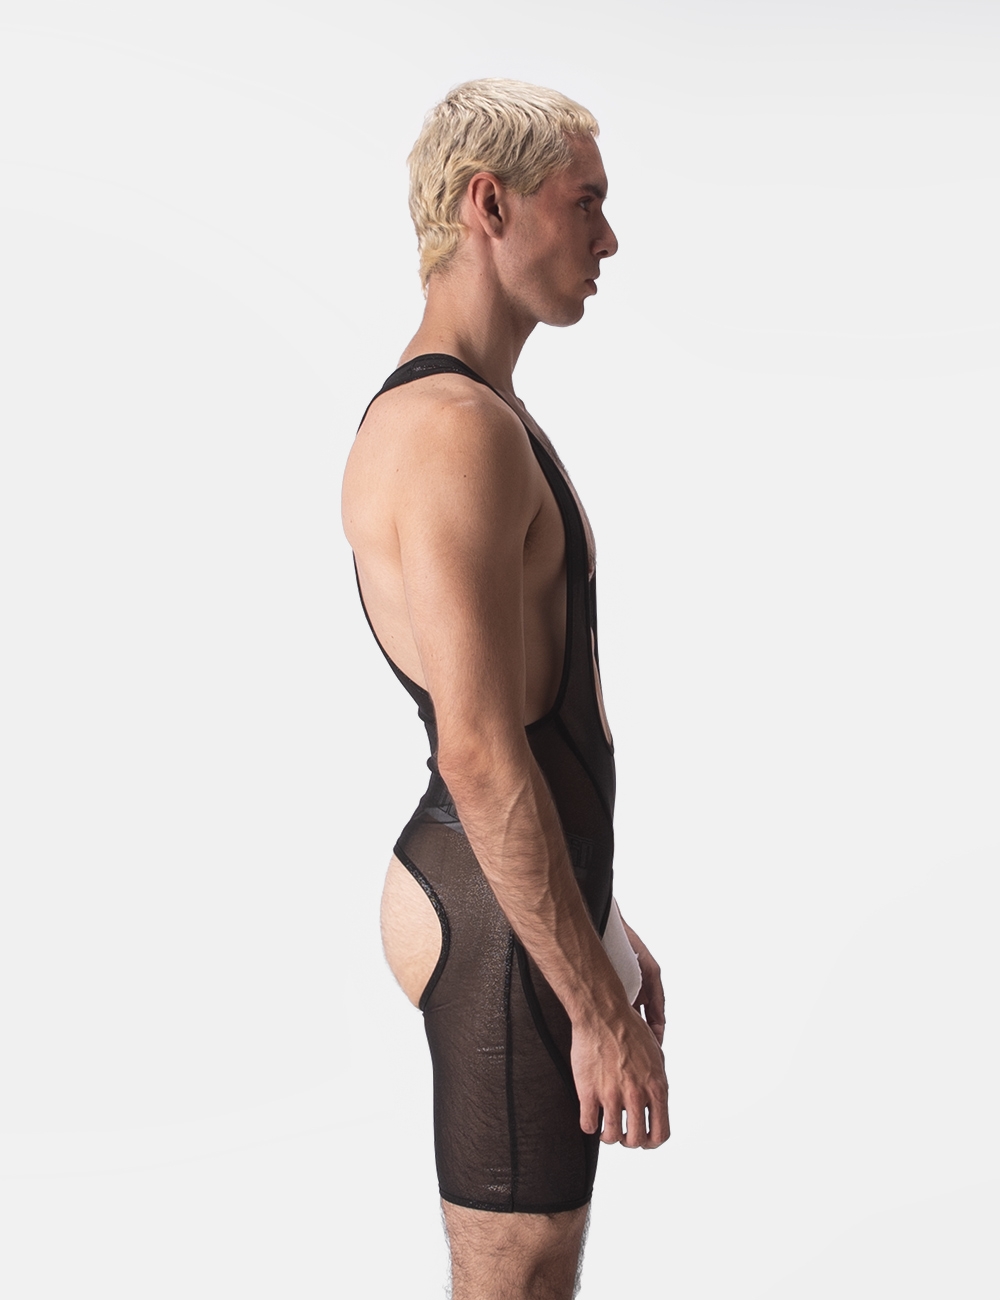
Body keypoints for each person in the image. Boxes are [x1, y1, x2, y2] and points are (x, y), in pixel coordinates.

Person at [342, 78, 670, 1300]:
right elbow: (479, 749)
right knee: (514, 1276)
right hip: (487, 907)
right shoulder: (451, 431)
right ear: (490, 205)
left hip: (516, 894)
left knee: (533, 1272)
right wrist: (593, 1004)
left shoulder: (479, 411)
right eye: (584, 203)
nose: (607, 238)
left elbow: (529, 707)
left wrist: (598, 918)